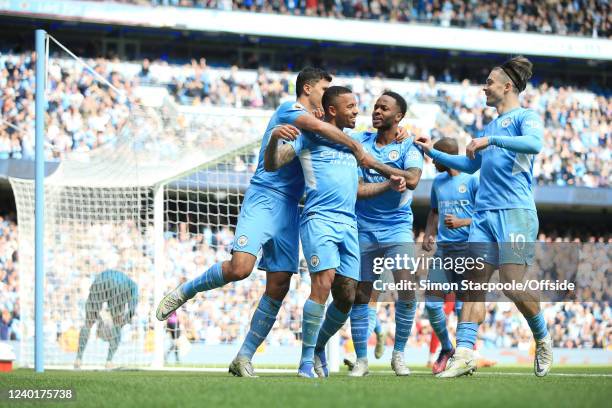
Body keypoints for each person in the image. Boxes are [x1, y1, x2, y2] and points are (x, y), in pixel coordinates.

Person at [156, 67, 374, 378]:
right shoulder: (292, 110)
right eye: (324, 88)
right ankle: (186, 291)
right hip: (265, 196)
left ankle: (243, 357)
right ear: (309, 88)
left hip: (292, 208)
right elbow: (301, 142)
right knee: (241, 268)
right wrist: (354, 147)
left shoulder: (323, 130)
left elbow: (346, 134)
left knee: (279, 284)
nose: (327, 95)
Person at [415, 56, 553, 378]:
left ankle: (543, 338)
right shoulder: (488, 127)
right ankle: (464, 354)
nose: (484, 87)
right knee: (474, 287)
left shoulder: (525, 117)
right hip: (484, 217)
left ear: (507, 86)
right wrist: (431, 152)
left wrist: (491, 140)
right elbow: (470, 166)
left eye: (489, 81)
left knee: (512, 285)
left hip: (515, 213)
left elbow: (535, 144)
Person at [265, 86, 390, 378]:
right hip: (319, 219)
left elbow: (359, 187)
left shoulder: (353, 142)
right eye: (351, 106)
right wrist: (273, 140)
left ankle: (319, 344)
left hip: (349, 223)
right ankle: (305, 362)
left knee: (347, 295)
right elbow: (272, 165)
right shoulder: (309, 137)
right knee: (322, 284)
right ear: (332, 110)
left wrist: (399, 146)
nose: (357, 111)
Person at [346, 91, 424, 376]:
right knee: (361, 294)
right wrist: (391, 179)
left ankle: (399, 354)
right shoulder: (361, 142)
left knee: (406, 287)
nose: (376, 111)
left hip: (397, 227)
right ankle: (361, 360)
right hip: (363, 227)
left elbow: (413, 179)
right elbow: (356, 188)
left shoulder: (408, 145)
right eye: (376, 106)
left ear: (398, 116)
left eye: (384, 108)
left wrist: (375, 165)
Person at [422, 137, 477, 374]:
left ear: (447, 156)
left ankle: (464, 355)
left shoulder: (473, 181)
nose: (434, 162)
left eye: (436, 157)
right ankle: (447, 347)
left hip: (468, 249)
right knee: (432, 304)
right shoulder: (438, 182)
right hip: (443, 250)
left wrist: (462, 221)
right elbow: (434, 212)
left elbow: (485, 216)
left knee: (463, 307)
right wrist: (428, 233)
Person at [74, 269, 138, 369]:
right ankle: (109, 361)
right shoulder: (133, 287)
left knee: (88, 323)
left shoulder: (130, 284)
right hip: (120, 287)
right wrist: (122, 323)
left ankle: (78, 359)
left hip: (100, 279)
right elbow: (132, 310)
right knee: (117, 323)